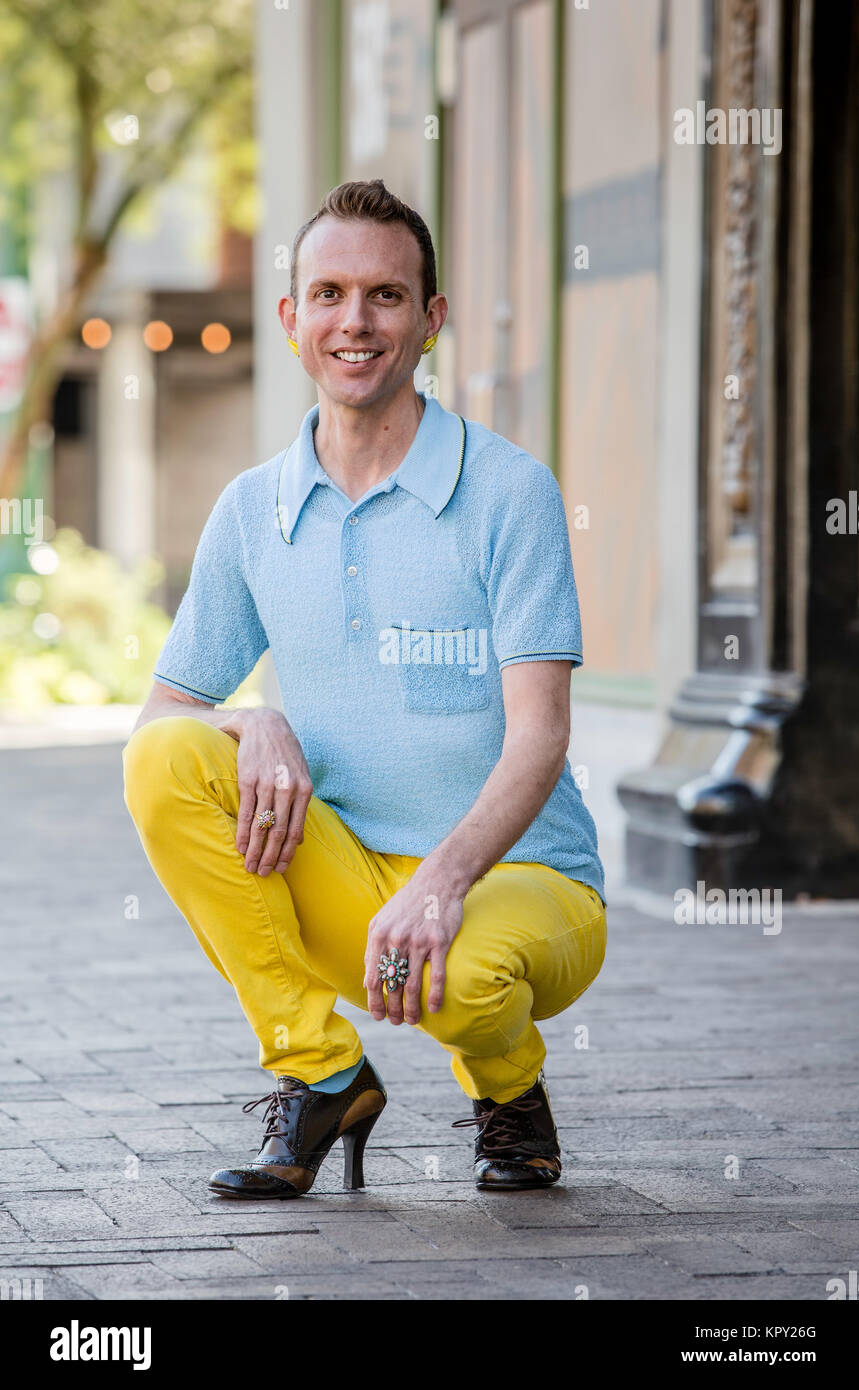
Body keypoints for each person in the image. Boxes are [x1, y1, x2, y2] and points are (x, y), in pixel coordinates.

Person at [122, 179, 606, 1199]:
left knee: (463, 975)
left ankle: (508, 1085)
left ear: (429, 320)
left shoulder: (505, 490)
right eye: (329, 293)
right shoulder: (253, 509)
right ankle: (320, 1069)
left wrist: (441, 880)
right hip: (350, 882)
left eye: (385, 296)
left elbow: (540, 738)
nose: (355, 320)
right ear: (292, 319)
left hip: (520, 881)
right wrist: (251, 719)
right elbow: (165, 714)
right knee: (164, 756)